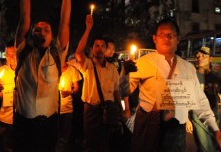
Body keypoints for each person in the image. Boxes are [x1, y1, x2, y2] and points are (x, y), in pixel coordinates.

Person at [128, 19, 221, 152]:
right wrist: (125, 74)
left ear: (178, 39)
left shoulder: (188, 67)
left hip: (177, 130)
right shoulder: (141, 63)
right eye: (162, 34)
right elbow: (123, 92)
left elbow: (199, 100)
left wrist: (215, 129)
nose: (167, 38)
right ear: (155, 38)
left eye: (171, 35)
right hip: (149, 125)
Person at [13, 0, 73, 152]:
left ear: (52, 35)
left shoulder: (57, 53)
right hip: (23, 124)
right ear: (31, 33)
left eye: (46, 30)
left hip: (48, 124)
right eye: (37, 29)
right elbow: (24, 18)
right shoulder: (23, 51)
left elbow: (64, 21)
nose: (41, 32)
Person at [74, 15, 121, 152]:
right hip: (91, 109)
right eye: (96, 46)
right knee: (90, 142)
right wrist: (88, 29)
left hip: (108, 109)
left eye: (102, 46)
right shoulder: (87, 65)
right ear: (92, 48)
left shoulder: (112, 68)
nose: (99, 48)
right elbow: (78, 52)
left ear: (106, 48)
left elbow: (116, 90)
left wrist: (120, 109)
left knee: (105, 142)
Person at [186, 46, 221, 152]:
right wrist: (187, 119)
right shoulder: (191, 76)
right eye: (197, 56)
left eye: (203, 56)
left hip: (214, 115)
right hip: (197, 117)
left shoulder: (216, 77)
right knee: (205, 146)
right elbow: (186, 97)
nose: (199, 58)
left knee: (215, 145)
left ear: (210, 58)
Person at [0, 40, 16, 152]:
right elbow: (0, 97)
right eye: (7, 54)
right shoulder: (2, 71)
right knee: (7, 146)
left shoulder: (27, 70)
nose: (10, 57)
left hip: (23, 117)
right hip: (5, 117)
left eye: (13, 54)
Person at [56, 60, 81, 152]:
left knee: (65, 134)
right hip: (53, 108)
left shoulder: (72, 70)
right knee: (55, 134)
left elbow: (76, 87)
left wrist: (69, 92)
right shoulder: (53, 68)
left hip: (67, 108)